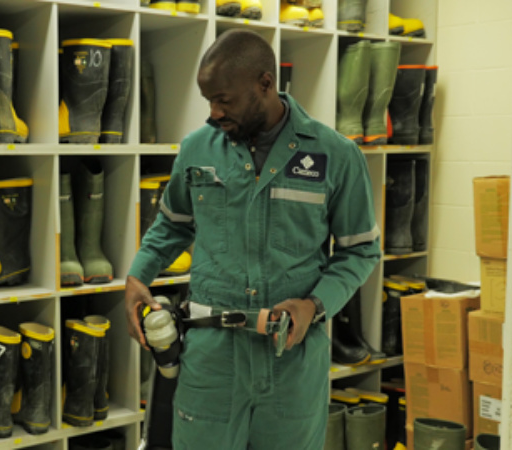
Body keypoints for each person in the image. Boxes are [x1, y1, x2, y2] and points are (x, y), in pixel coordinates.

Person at [125, 29, 381, 449]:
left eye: (224, 100)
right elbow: (172, 224)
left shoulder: (335, 154)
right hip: (211, 359)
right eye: (208, 100)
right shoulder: (197, 150)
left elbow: (360, 249)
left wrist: (314, 304)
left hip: (291, 359)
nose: (214, 112)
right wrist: (138, 277)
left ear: (265, 84)